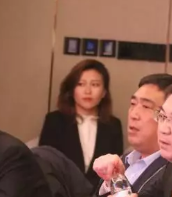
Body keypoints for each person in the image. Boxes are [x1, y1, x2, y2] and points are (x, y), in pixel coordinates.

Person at [64, 73, 172, 197]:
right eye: (133, 104)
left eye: (146, 107)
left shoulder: (169, 172)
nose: (134, 114)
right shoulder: (122, 161)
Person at [39, 59, 123, 188]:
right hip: (62, 194)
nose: (87, 91)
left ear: (104, 92)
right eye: (81, 84)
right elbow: (44, 166)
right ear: (72, 90)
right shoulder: (54, 121)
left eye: (95, 84)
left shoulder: (113, 125)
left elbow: (116, 171)